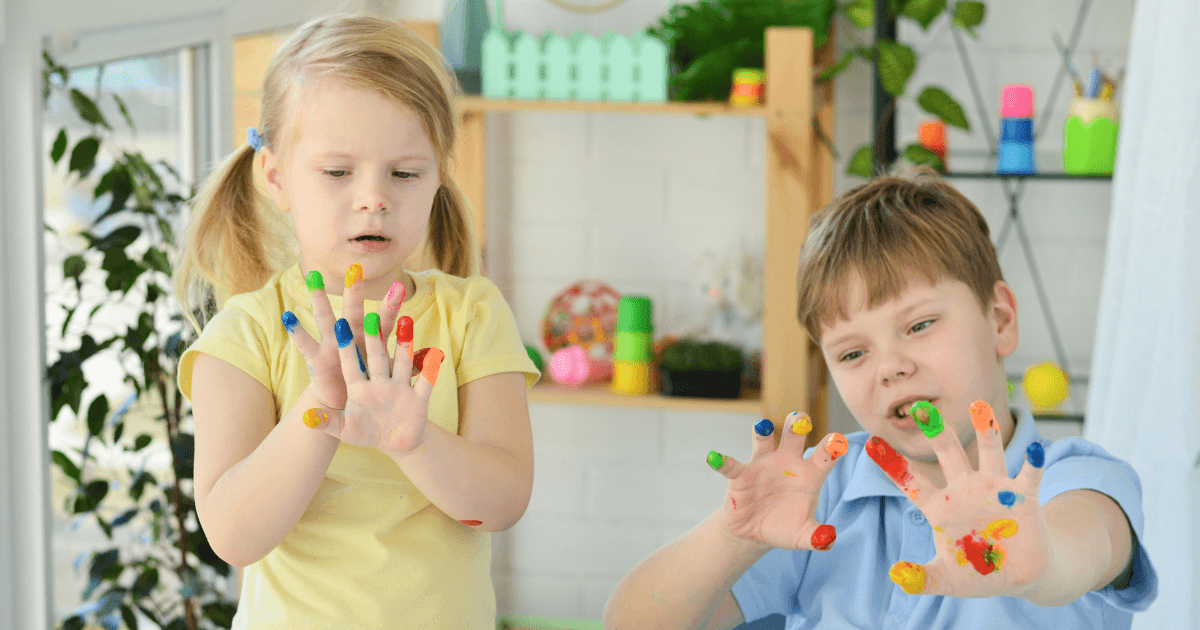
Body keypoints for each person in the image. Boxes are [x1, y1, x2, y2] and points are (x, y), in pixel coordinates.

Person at [603, 168, 1158, 629]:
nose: (890, 366)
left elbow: (1084, 544)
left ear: (1001, 321)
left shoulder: (1076, 479)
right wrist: (733, 536)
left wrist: (1039, 562)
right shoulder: (824, 497)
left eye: (918, 325)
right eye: (851, 354)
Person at [174, 15, 539, 629]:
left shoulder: (473, 314)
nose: (374, 197)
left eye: (404, 172)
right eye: (338, 172)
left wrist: (415, 441)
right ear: (275, 175)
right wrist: (321, 407)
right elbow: (235, 537)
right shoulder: (245, 336)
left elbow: (502, 504)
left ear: (438, 176)